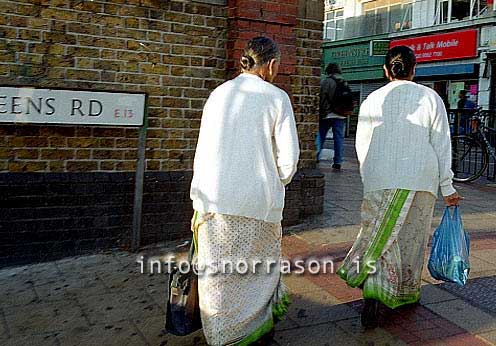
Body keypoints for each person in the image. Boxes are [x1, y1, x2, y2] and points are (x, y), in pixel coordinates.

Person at [337, 46, 463, 328]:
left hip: (380, 178)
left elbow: (362, 144)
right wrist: (448, 186)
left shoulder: (372, 99)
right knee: (410, 241)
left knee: (377, 236)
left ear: (385, 70)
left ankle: (373, 293)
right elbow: (442, 144)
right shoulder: (431, 98)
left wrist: (368, 177)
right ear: (414, 70)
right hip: (421, 179)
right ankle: (405, 293)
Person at [190, 36, 299, 345]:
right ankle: (253, 330)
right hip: (257, 202)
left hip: (211, 199)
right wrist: (274, 179)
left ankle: (221, 334)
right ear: (272, 65)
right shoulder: (276, 98)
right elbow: (289, 161)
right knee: (257, 272)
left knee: (217, 275)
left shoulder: (218, 94)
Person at [317, 63, 353, 169]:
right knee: (339, 138)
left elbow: (322, 96)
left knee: (321, 135)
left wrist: (322, 110)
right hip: (341, 114)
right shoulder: (344, 81)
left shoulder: (327, 81)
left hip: (328, 114)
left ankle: (316, 155)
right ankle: (338, 161)